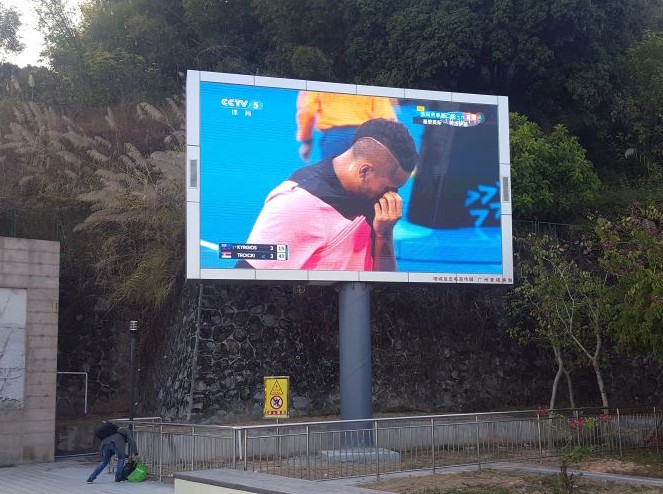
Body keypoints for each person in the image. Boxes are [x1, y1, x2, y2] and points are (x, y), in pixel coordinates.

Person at [243, 118, 418, 272]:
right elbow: (249, 278)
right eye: (388, 187)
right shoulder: (294, 205)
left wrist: (384, 234)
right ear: (364, 171)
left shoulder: (375, 202)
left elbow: (383, 284)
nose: (393, 196)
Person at [296, 91, 397, 162]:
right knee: (363, 182)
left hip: (333, 139)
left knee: (332, 183)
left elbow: (307, 112)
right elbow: (386, 117)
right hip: (365, 139)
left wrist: (307, 141)